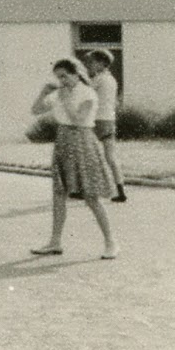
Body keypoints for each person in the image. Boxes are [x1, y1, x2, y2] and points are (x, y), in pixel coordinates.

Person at [29, 58, 119, 260]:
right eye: (58, 77)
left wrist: (64, 98)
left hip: (82, 141)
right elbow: (35, 110)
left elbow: (78, 120)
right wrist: (44, 93)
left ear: (76, 73)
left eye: (65, 76)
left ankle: (111, 242)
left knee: (91, 196)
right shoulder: (59, 93)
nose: (62, 80)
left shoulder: (87, 93)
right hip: (63, 141)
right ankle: (55, 241)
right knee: (59, 193)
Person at [84, 49, 128, 203]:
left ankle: (89, 190)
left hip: (96, 120)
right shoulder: (111, 80)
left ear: (102, 63)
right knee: (110, 157)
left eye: (92, 62)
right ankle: (120, 190)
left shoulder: (98, 80)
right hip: (109, 119)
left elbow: (85, 93)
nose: (89, 65)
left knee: (88, 156)